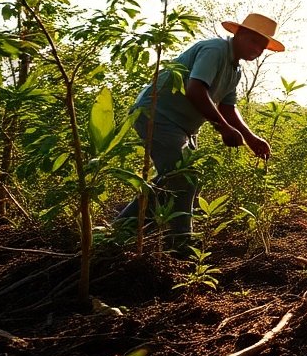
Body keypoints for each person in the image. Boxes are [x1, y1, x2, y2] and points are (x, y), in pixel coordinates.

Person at [116, 13, 284, 250]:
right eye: (253, 41)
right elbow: (194, 90)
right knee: (184, 178)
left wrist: (250, 138)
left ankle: (123, 230)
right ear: (238, 34)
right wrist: (223, 128)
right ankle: (180, 245)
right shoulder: (215, 50)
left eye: (263, 46)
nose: (257, 49)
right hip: (157, 114)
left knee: (174, 179)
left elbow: (227, 107)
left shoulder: (235, 70)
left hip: (183, 126)